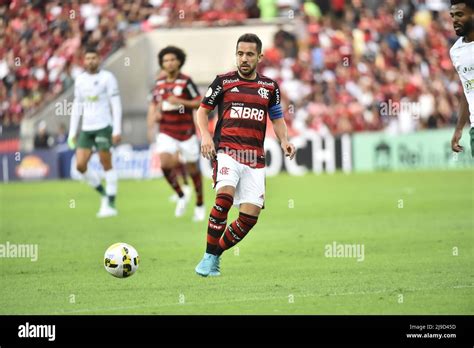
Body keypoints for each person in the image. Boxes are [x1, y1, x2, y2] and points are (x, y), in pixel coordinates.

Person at [194, 33, 296, 277]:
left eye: (250, 54)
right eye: (240, 54)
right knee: (224, 198)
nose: (244, 58)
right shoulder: (223, 82)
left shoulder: (270, 87)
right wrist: (206, 137)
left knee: (249, 218)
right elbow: (202, 111)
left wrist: (285, 140)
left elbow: (277, 118)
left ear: (259, 57)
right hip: (227, 151)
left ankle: (214, 255)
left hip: (254, 159)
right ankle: (208, 255)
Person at [147, 46, 204, 221]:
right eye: (165, 60)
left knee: (193, 168)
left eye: (172, 59)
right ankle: (180, 194)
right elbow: (156, 103)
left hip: (186, 131)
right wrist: (155, 115)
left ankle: (200, 204)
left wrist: (179, 101)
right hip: (166, 130)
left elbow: (199, 102)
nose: (169, 63)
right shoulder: (159, 83)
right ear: (162, 64)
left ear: (179, 61)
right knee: (164, 164)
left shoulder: (186, 81)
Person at [67, 46, 122, 218]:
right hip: (86, 129)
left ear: (99, 59)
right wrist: (71, 132)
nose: (91, 61)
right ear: (84, 61)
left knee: (106, 163)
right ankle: (104, 194)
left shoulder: (108, 78)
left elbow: (116, 104)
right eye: (88, 58)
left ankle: (111, 203)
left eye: (94, 58)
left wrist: (117, 129)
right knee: (80, 166)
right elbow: (77, 106)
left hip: (104, 126)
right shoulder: (80, 80)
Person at [449, 0, 474, 157]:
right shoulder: (456, 51)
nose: (454, 20)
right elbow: (468, 89)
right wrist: (459, 128)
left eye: (460, 14)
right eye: (452, 15)